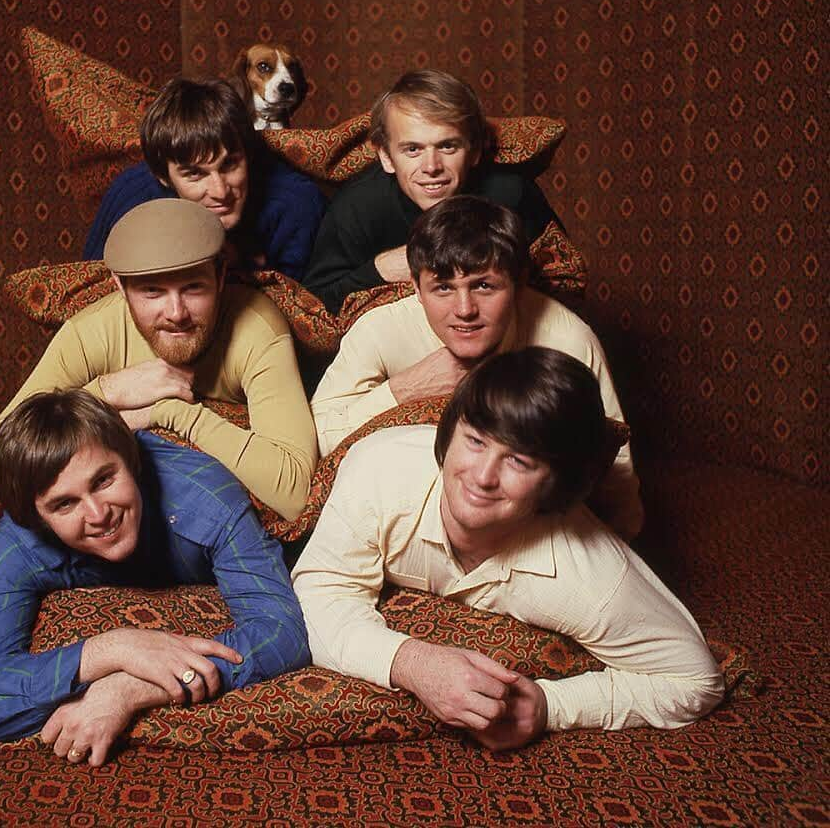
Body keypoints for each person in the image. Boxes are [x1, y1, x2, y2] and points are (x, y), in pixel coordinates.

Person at [293, 348, 724, 753]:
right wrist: (413, 663)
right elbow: (319, 594)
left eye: (519, 461)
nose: (482, 476)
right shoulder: (377, 471)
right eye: (476, 440)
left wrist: (550, 706)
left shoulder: (592, 576)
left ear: (557, 484)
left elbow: (696, 680)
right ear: (449, 433)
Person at [0, 389, 311, 762]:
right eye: (65, 503)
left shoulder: (207, 498)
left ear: (130, 462)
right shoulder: (19, 540)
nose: (97, 513)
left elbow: (283, 632)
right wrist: (113, 649)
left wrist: (130, 686)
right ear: (37, 518)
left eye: (104, 480)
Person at [310, 195, 641, 539]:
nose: (464, 309)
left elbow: (618, 486)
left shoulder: (567, 339)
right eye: (443, 288)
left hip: (532, 532)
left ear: (519, 282)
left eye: (484, 286)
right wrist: (403, 391)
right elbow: (318, 445)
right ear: (416, 289)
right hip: (398, 525)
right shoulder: (378, 330)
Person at [0, 198, 318, 521]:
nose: (175, 313)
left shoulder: (256, 328)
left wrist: (167, 412)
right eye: (152, 291)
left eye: (193, 287)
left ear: (220, 276)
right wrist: (104, 393)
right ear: (121, 288)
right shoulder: (89, 332)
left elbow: (295, 491)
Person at [302, 69, 559, 313]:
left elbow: (560, 280)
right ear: (386, 157)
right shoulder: (359, 205)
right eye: (412, 149)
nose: (431, 167)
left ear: (476, 150)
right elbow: (318, 304)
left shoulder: (511, 193)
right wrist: (380, 270)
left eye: (447, 146)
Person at [83, 77, 326, 281]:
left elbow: (310, 316)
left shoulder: (297, 203)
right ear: (163, 176)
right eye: (195, 174)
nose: (220, 192)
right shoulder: (132, 196)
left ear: (248, 155)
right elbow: (90, 295)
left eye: (230, 165)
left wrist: (242, 269)